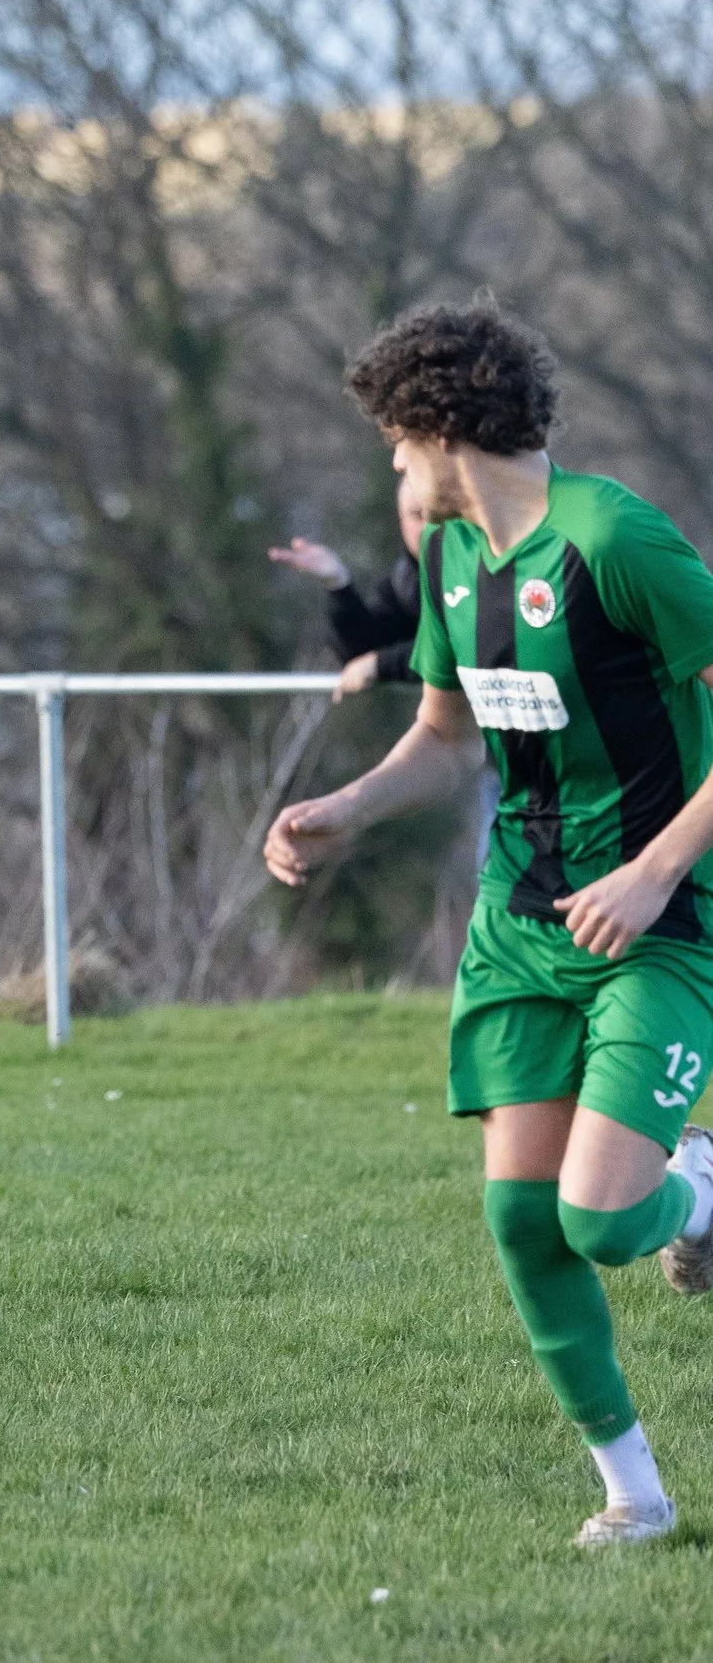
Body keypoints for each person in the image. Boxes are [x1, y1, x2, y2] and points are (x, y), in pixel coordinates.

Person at [264, 299, 713, 1546]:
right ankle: (633, 1493)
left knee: (602, 1216)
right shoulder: (454, 564)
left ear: (435, 430)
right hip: (518, 924)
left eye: (396, 450)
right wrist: (342, 809)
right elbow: (448, 737)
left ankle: (703, 1192)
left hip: (656, 920)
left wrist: (653, 870)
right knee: (524, 1220)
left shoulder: (612, 537)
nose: (394, 473)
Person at [268, 480, 429, 700]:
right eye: (417, 515)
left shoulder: (480, 570)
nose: (430, 525)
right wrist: (338, 585)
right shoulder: (404, 581)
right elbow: (365, 652)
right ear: (400, 521)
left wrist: (382, 664)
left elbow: (458, 650)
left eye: (438, 512)